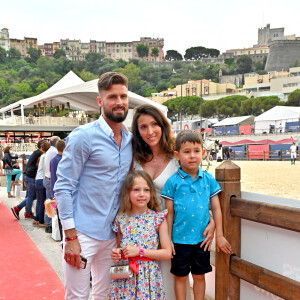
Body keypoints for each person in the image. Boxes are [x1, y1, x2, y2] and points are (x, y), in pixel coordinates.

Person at [54, 72, 132, 299]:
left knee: (108, 294)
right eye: (112, 97)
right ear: (100, 101)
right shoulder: (83, 136)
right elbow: (63, 186)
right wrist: (70, 238)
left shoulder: (129, 140)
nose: (119, 102)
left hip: (114, 236)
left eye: (123, 96)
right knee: (77, 296)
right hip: (82, 234)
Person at [131, 104, 215, 300]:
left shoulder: (178, 155)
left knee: (175, 279)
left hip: (174, 230)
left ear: (162, 125)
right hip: (143, 230)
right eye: (143, 127)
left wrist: (212, 220)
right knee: (145, 282)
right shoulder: (133, 157)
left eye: (154, 124)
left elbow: (199, 188)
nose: (150, 131)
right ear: (138, 131)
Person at [161, 130, 232, 300]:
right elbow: (169, 214)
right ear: (177, 155)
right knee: (180, 277)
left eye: (196, 151)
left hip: (202, 241)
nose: (192, 156)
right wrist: (168, 240)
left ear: (203, 153)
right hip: (179, 241)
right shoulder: (172, 182)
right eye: (186, 152)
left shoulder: (208, 180)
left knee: (200, 276)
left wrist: (219, 236)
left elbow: (216, 209)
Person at [107, 170, 172, 299]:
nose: (142, 194)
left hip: (148, 279)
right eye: (136, 190)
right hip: (125, 279)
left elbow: (167, 253)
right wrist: (116, 254)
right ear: (127, 193)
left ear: (151, 193)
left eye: (146, 190)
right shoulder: (121, 219)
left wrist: (140, 252)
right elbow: (120, 248)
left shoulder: (157, 219)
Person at [11, 140, 44, 220]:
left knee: (30, 195)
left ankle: (26, 211)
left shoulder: (35, 152)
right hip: (31, 176)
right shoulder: (40, 154)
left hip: (27, 175)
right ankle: (20, 209)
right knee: (31, 196)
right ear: (42, 146)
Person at [43, 136, 60, 233]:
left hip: (46, 179)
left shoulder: (50, 151)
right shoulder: (54, 152)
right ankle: (50, 225)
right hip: (50, 180)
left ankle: (48, 224)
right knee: (51, 204)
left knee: (48, 203)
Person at [49, 139, 66, 240]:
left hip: (57, 191)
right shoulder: (67, 159)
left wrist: (53, 195)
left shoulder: (53, 160)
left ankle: (63, 242)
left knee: (60, 218)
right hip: (66, 191)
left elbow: (53, 178)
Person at [32, 141, 50, 227]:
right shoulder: (46, 156)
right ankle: (41, 222)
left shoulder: (41, 156)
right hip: (42, 180)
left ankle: (36, 219)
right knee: (42, 202)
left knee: (39, 201)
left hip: (37, 180)